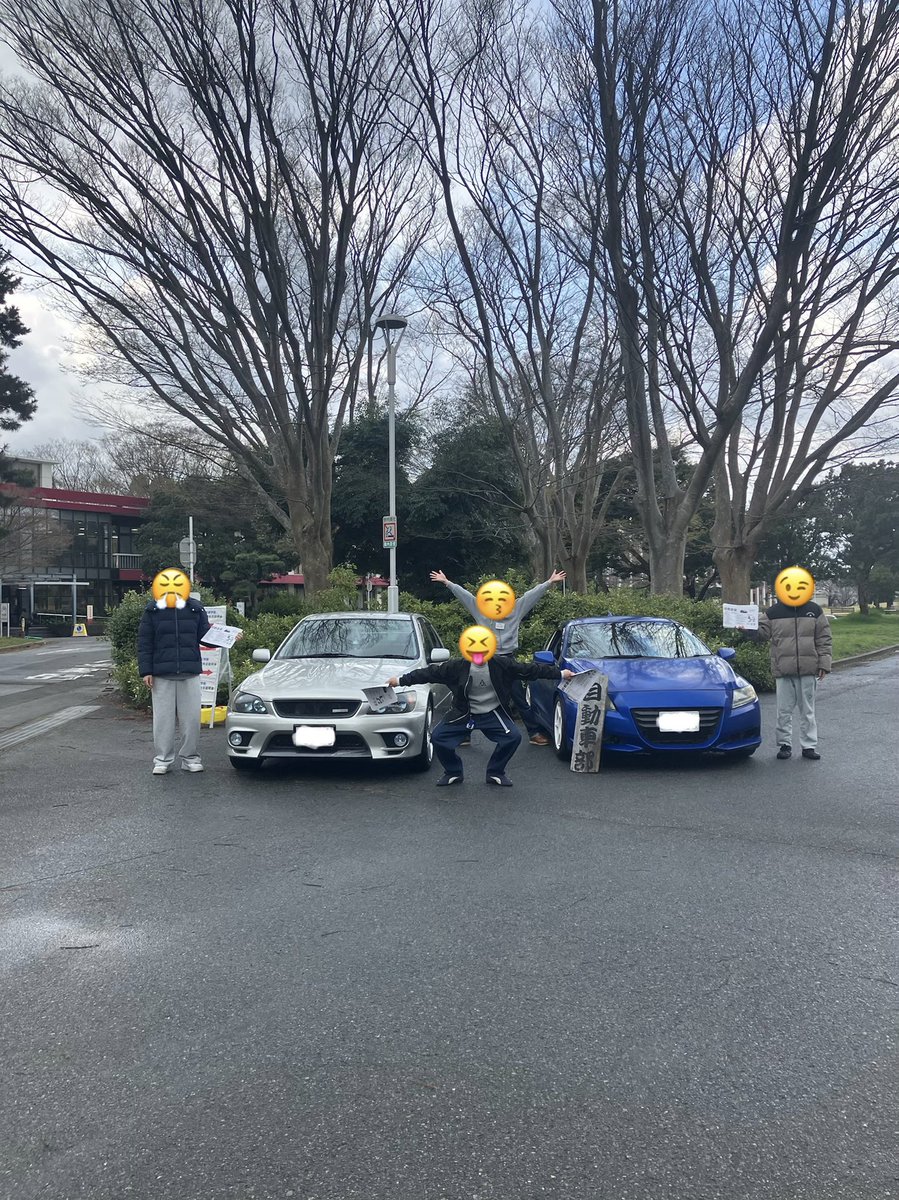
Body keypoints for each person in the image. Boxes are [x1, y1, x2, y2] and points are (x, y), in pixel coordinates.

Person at [387, 624, 574, 787]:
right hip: (463, 714)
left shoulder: (502, 665)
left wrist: (560, 674)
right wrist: (400, 680)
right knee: (438, 738)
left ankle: (495, 772)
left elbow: (531, 670)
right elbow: (428, 673)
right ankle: (453, 772)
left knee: (513, 737)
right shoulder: (456, 667)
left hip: (492, 713)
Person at [429, 567, 566, 745]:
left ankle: (533, 733)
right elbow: (465, 597)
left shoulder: (516, 609)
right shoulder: (480, 610)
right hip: (484, 659)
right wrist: (447, 582)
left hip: (507, 660)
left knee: (519, 697)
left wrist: (549, 582)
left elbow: (531, 596)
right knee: (469, 696)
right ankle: (463, 734)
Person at [752, 567, 832, 761]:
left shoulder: (814, 610)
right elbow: (762, 634)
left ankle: (809, 746)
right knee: (783, 710)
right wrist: (746, 629)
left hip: (808, 668)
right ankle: (784, 745)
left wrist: (824, 663)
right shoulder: (773, 612)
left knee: (807, 711)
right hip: (783, 669)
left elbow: (824, 638)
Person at [137, 568, 211, 775]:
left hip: (190, 672)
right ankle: (163, 759)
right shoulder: (152, 610)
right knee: (163, 720)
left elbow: (206, 636)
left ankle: (190, 758)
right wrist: (146, 671)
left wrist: (229, 637)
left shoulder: (195, 608)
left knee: (191, 720)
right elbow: (144, 642)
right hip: (161, 674)